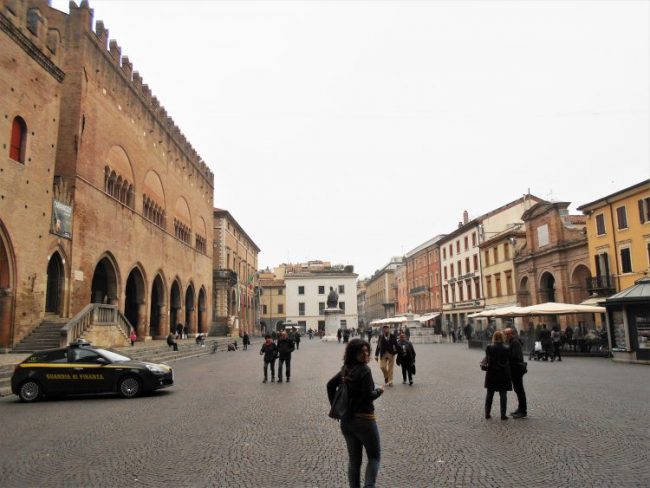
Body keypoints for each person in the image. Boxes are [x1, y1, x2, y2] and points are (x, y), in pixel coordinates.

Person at [327, 339, 384, 488]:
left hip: (347, 422)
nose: (365, 354)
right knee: (374, 457)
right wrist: (379, 391)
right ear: (354, 353)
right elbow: (367, 397)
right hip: (364, 420)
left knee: (354, 461)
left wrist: (338, 409)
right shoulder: (365, 370)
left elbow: (330, 385)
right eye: (361, 351)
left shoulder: (345, 369)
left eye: (367, 351)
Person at [483, 330, 512, 420]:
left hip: (492, 373)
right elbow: (508, 361)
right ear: (502, 338)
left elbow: (487, 359)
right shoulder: (507, 348)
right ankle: (503, 415)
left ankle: (487, 413)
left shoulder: (489, 347)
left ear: (494, 337)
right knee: (503, 394)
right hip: (503, 373)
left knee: (489, 394)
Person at [504, 328, 527, 419]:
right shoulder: (513, 342)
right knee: (518, 390)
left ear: (511, 334)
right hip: (515, 369)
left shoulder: (515, 343)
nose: (505, 336)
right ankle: (520, 408)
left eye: (506, 334)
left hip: (516, 369)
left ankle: (523, 410)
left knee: (520, 390)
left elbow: (515, 357)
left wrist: (507, 355)